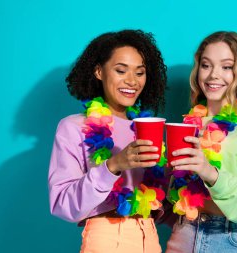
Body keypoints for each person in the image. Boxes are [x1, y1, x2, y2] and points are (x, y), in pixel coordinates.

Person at [48, 29, 167, 253]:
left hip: (149, 236)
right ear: (99, 71)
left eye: (140, 73)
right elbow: (62, 205)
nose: (132, 81)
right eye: (121, 70)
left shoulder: (146, 128)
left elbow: (162, 202)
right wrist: (113, 166)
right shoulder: (73, 127)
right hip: (108, 236)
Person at [165, 31, 237, 253]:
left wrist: (211, 173)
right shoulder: (189, 124)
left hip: (229, 239)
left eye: (226, 67)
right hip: (184, 234)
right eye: (206, 65)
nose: (213, 75)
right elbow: (178, 195)